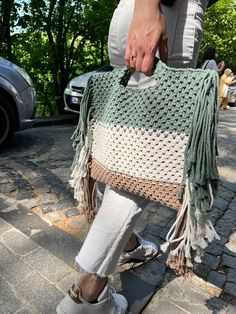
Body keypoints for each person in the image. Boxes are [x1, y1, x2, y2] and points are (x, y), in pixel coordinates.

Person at [57, 0, 217, 313]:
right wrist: (148, 8)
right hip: (169, 13)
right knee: (141, 165)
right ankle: (87, 295)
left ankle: (127, 245)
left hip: (132, 13)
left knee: (121, 149)